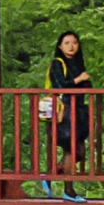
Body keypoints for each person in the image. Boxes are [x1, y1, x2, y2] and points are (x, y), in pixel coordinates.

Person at [44, 29, 93, 195]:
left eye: (74, 43)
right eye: (67, 43)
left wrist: (86, 83)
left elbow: (85, 86)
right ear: (60, 46)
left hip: (78, 111)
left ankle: (50, 176)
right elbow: (59, 85)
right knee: (73, 150)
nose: (71, 46)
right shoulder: (57, 63)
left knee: (77, 152)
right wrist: (79, 80)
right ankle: (68, 191)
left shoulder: (78, 63)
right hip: (64, 111)